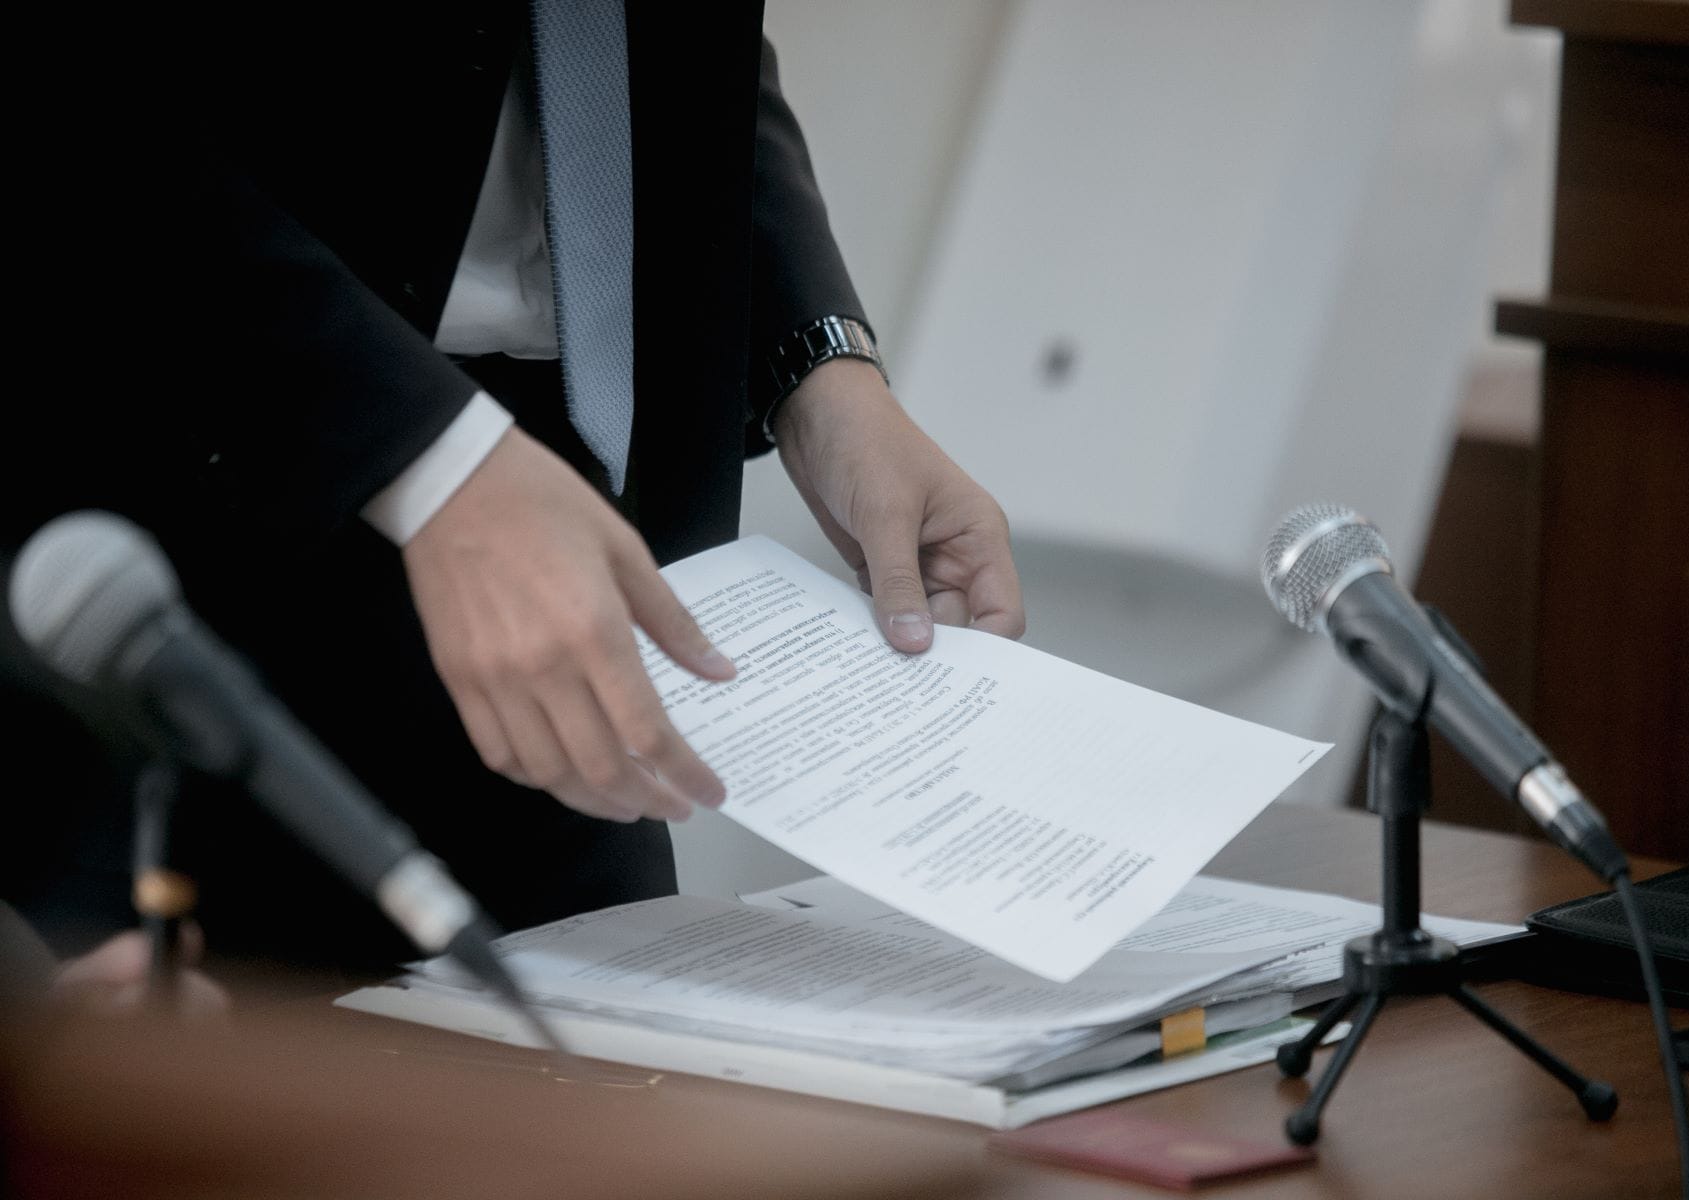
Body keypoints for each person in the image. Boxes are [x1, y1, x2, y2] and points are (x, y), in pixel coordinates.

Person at [2, 3, 1023, 971]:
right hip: (196, 515)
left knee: (586, 1074)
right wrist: (430, 455)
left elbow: (677, 48)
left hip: (573, 534)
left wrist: (820, 364)